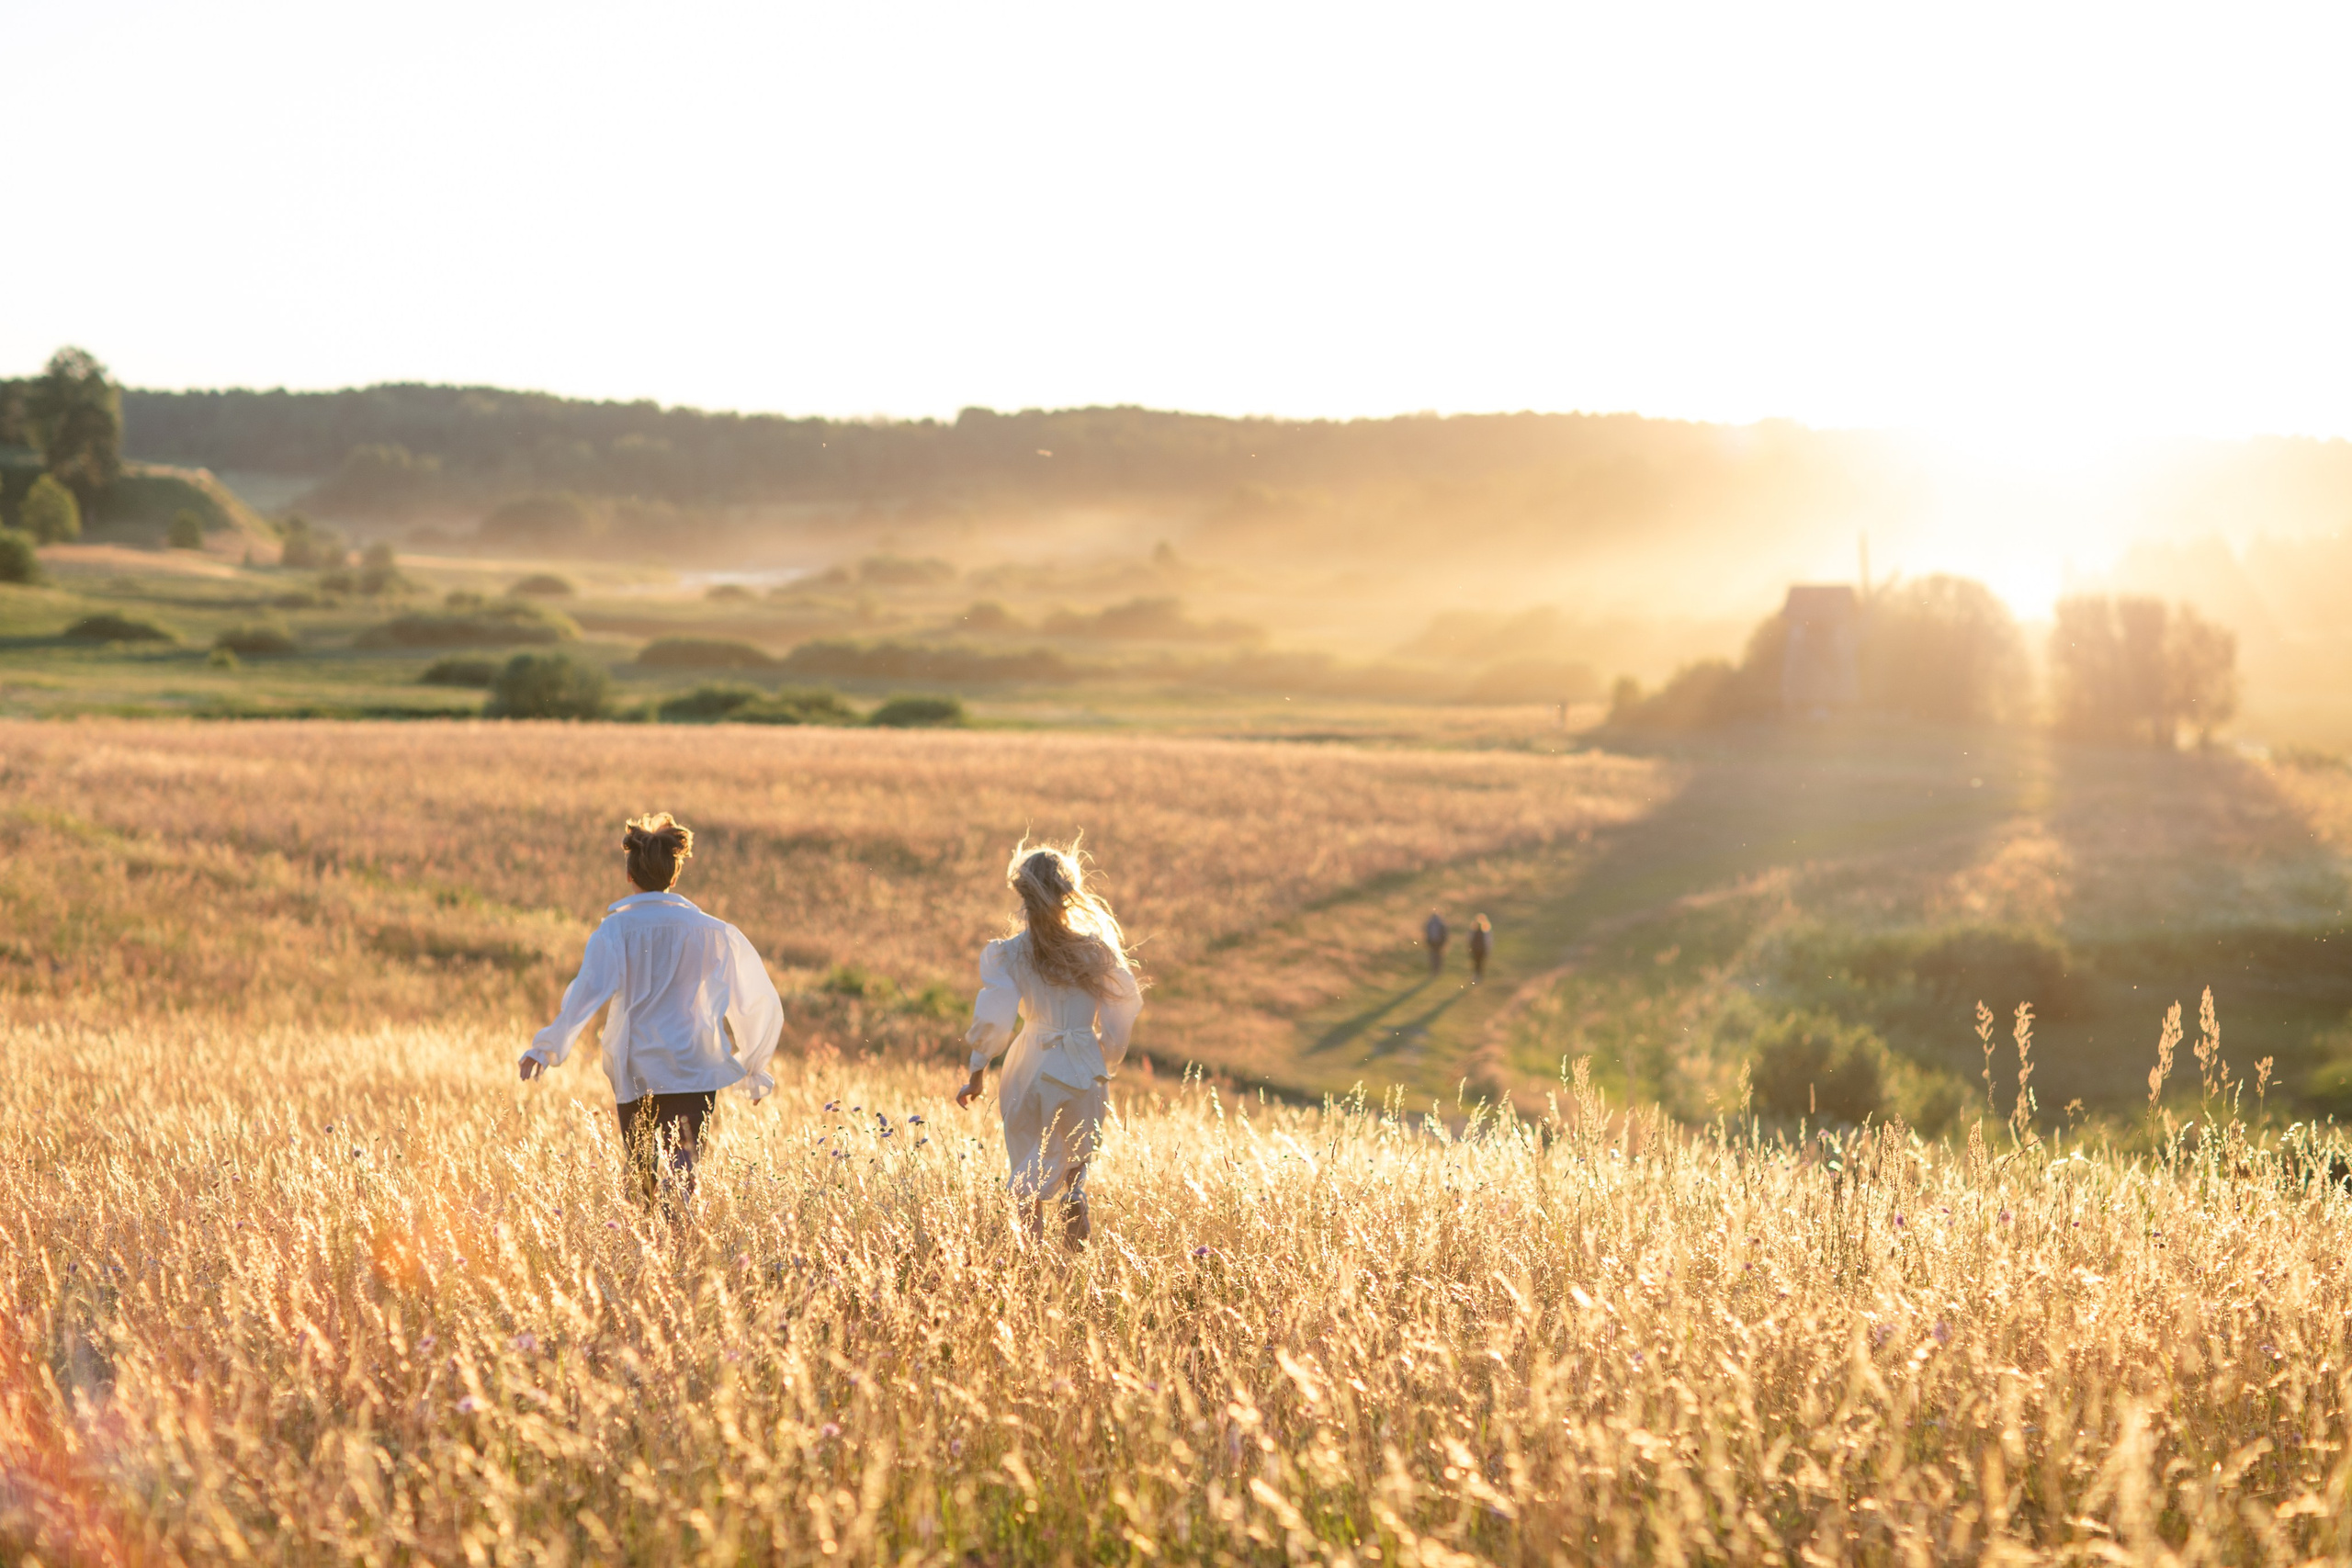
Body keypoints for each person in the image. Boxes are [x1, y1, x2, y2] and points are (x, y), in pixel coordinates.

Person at [519, 813, 783, 1206]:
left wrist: (547, 1047)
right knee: (683, 1180)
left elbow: (584, 994)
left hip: (637, 1067)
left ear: (630, 875)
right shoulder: (713, 931)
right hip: (694, 1068)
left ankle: (648, 1256)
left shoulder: (614, 931)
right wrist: (755, 1066)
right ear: (674, 876)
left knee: (643, 1180)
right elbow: (754, 995)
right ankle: (680, 1255)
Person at [956, 842, 1143, 1245]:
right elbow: (1123, 1008)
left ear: (1022, 895)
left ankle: (1034, 1265)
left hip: (1031, 1064)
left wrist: (977, 1071)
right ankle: (1075, 1196)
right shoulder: (1095, 950)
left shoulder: (1010, 954)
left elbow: (996, 1016)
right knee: (1076, 1155)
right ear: (1069, 891)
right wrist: (1103, 1054)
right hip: (1082, 1060)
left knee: (1028, 1169)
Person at [1467, 913, 1492, 983]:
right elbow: (1488, 941)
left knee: (1477, 963)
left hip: (1475, 949)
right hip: (1481, 949)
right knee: (1480, 963)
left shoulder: (1473, 931)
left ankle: (1477, 975)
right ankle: (1479, 975)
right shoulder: (1485, 931)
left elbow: (1469, 940)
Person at [1423, 909, 1449, 976]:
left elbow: (1426, 932)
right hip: (1439, 942)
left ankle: (1434, 969)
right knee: (1438, 956)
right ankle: (1437, 969)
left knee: (1433, 955)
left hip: (1432, 942)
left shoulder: (1430, 923)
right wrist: (1444, 941)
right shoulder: (1441, 923)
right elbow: (1445, 933)